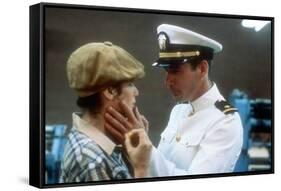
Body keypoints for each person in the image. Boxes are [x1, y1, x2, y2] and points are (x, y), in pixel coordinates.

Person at [104, 24, 244, 177]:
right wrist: (140, 148)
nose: (168, 81)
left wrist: (146, 148)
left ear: (202, 69)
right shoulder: (179, 110)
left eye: (175, 71)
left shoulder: (225, 121)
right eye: (167, 71)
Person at [59, 41, 148, 182]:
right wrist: (142, 167)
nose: (136, 92)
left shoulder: (98, 142)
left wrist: (130, 154)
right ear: (110, 91)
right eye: (130, 84)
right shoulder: (93, 162)